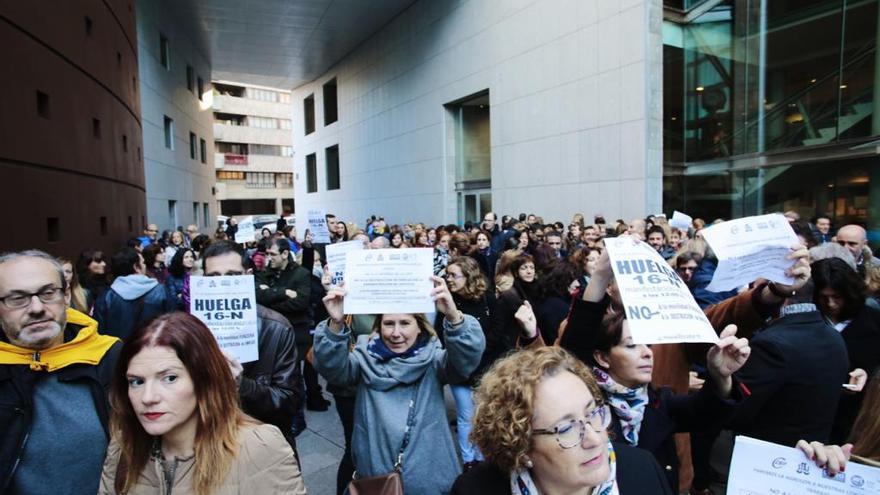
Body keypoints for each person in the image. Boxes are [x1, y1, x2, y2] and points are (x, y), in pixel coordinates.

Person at [98, 312, 306, 494]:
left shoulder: (259, 447)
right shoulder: (123, 447)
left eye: (169, 378)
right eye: (137, 381)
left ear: (203, 378)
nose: (148, 397)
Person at [313, 276, 486, 494]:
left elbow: (466, 362)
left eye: (405, 323)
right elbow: (332, 369)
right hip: (377, 480)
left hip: (430, 479)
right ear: (378, 326)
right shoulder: (363, 358)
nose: (396, 333)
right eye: (388, 323)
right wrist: (336, 324)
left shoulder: (434, 360)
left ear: (419, 327)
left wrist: (453, 316)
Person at [452, 346, 673, 494]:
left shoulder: (643, 471)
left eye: (593, 413)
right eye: (566, 428)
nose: (595, 439)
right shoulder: (474, 489)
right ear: (520, 447)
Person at [0, 250, 121, 495]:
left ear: (66, 295)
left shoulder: (113, 358)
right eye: (17, 298)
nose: (36, 308)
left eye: (47, 293)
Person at [200, 240, 304, 453]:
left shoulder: (277, 328)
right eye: (213, 278)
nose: (223, 285)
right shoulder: (192, 331)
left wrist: (242, 385)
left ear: (248, 276)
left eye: (232, 276)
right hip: (209, 446)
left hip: (262, 448)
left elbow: (288, 403)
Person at [811, 257, 880, 443]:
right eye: (824, 298)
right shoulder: (808, 321)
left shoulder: (873, 321)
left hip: (851, 417)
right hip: (810, 411)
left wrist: (867, 373)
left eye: (837, 298)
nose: (831, 304)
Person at [256, 239, 329, 410]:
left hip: (297, 330)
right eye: (267, 254)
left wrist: (271, 300)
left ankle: (302, 404)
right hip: (271, 332)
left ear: (285, 254)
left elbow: (300, 303)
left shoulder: (301, 273)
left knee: (298, 369)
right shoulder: (264, 273)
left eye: (272, 254)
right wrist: (283, 292)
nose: (269, 258)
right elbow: (258, 297)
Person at [438, 256, 493, 470]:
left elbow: (496, 331)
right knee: (465, 416)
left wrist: (479, 354)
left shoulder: (487, 299)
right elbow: (441, 336)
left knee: (483, 415)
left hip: (485, 366)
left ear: (468, 276)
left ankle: (483, 457)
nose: (449, 279)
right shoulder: (446, 302)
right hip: (459, 368)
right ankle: (469, 460)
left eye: (453, 275)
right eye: (447, 274)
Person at [93, 248, 176, 341]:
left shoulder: (106, 297)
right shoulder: (161, 291)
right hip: (154, 350)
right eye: (143, 263)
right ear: (136, 267)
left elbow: (99, 333)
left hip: (118, 353)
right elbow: (172, 325)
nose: (145, 266)